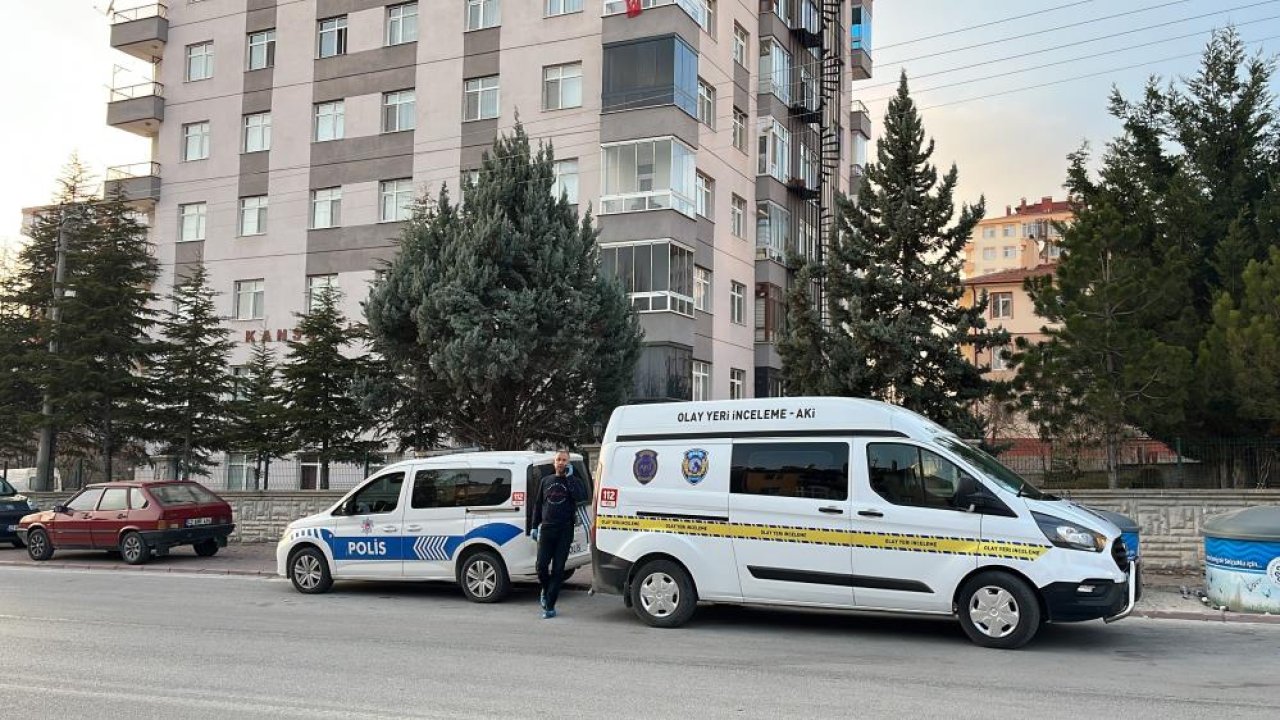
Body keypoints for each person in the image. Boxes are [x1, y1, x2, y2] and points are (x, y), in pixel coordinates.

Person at [529, 449, 587, 619]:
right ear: (554, 463)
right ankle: (546, 590)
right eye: (558, 459)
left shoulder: (573, 481)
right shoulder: (545, 481)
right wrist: (534, 526)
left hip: (564, 530)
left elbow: (580, 496)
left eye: (564, 460)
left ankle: (550, 605)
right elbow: (538, 504)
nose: (561, 462)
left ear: (568, 463)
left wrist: (569, 478)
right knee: (541, 566)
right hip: (547, 529)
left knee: (558, 569)